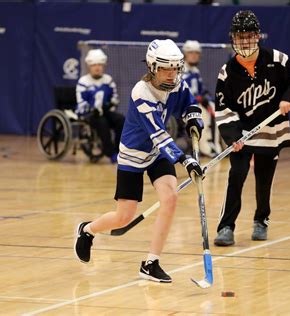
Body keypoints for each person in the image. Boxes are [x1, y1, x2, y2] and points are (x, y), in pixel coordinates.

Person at [74, 39, 204, 283]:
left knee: (171, 197)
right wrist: (185, 160)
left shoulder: (176, 83)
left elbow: (189, 104)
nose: (171, 74)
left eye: (175, 68)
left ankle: (150, 263)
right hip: (134, 155)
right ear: (153, 67)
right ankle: (87, 230)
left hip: (157, 154)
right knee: (124, 216)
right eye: (166, 68)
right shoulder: (141, 93)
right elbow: (158, 133)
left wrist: (194, 119)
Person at [213, 10, 290, 246]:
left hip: (271, 131)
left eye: (248, 36)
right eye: (239, 36)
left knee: (264, 179)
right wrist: (233, 136)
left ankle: (261, 220)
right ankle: (226, 226)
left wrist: (289, 98)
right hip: (243, 134)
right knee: (236, 176)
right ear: (232, 38)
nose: (244, 41)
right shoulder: (228, 72)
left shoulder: (277, 59)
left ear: (257, 36)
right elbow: (223, 109)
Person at [76, 49, 125, 163]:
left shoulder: (108, 80)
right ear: (89, 66)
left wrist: (110, 105)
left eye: (99, 65)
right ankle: (111, 153)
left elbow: (115, 98)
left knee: (121, 119)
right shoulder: (83, 82)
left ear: (104, 66)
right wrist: (92, 109)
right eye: (94, 65)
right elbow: (81, 104)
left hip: (106, 111)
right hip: (90, 115)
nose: (97, 67)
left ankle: (120, 151)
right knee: (102, 122)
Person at [180, 40, 222, 157]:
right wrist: (198, 99)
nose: (194, 55)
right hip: (187, 106)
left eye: (196, 53)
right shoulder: (181, 70)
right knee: (202, 115)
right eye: (191, 53)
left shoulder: (195, 71)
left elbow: (202, 90)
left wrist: (207, 98)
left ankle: (215, 144)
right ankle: (205, 147)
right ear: (185, 54)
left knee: (215, 108)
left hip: (197, 102)